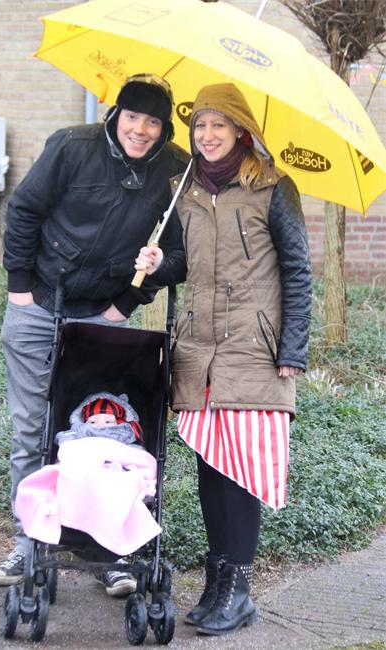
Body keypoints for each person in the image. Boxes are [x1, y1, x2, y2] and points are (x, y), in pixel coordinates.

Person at [0, 73, 188, 591]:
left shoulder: (175, 171)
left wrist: (127, 303)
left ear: (164, 128)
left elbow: (179, 257)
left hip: (103, 318)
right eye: (132, 117)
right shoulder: (72, 146)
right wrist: (19, 289)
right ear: (115, 114)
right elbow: (24, 211)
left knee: (104, 433)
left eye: (153, 122)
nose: (140, 130)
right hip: (38, 304)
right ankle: (29, 542)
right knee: (33, 432)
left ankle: (110, 548)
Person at [135, 82, 312, 636]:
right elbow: (185, 264)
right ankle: (218, 583)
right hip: (198, 350)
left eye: (219, 125)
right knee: (212, 468)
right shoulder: (185, 190)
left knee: (241, 472)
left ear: (240, 130)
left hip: (254, 350)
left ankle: (239, 590)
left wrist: (293, 349)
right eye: (200, 126)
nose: (207, 136)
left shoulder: (274, 188)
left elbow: (298, 271)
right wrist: (159, 263)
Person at [15, 393, 161, 598]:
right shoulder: (73, 439)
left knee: (119, 484)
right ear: (83, 422)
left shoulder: (128, 443)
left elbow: (142, 462)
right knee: (69, 476)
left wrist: (137, 478)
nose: (100, 425)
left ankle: (110, 560)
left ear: (120, 422)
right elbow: (66, 457)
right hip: (81, 472)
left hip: (115, 472)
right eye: (93, 421)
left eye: (108, 421)